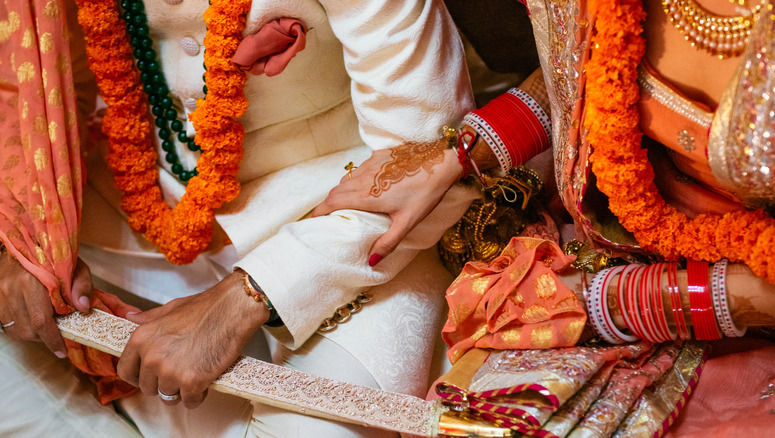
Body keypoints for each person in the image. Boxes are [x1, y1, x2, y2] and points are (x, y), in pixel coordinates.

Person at [0, 0, 478, 436]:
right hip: (133, 215)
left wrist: (247, 296)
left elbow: (429, 161)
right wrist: (20, 233)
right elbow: (42, 83)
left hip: (340, 227)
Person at [316, 0, 775, 435]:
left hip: (746, 298)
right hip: (614, 233)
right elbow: (584, 64)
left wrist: (639, 301)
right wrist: (460, 154)